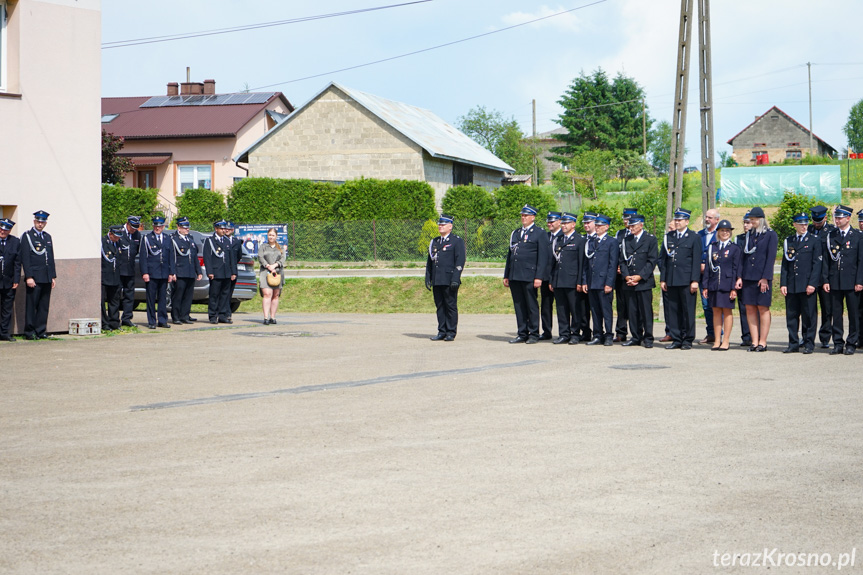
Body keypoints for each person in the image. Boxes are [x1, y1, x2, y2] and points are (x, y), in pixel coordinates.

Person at [503, 204, 551, 344]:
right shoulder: (516, 233)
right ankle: (522, 332)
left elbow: (543, 257)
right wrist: (507, 275)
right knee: (519, 305)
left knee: (531, 305)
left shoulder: (539, 233)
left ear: (533, 217)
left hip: (530, 275)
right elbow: (510, 255)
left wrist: (539, 277)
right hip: (515, 275)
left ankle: (534, 333)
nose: (523, 218)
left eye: (526, 216)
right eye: (522, 215)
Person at [821, 205, 863, 355]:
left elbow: (860, 261)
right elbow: (826, 260)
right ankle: (838, 342)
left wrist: (860, 281)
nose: (837, 220)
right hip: (835, 281)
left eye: (840, 218)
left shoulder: (857, 236)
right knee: (835, 313)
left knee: (853, 313)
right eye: (836, 217)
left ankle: (852, 342)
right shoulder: (831, 235)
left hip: (852, 281)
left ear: (848, 218)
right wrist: (825, 280)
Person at [660, 208, 702, 350]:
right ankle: (676, 338)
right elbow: (664, 260)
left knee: (687, 311)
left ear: (687, 221)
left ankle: (687, 339)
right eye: (676, 219)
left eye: (680, 220)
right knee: (673, 310)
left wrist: (695, 280)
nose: (677, 222)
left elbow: (696, 260)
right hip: (671, 279)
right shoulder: (669, 237)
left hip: (686, 280)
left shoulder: (694, 237)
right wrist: (663, 279)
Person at [780, 213, 821, 354]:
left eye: (805, 224)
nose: (804, 226)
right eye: (800, 224)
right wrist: (783, 283)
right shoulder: (789, 241)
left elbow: (817, 264)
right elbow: (785, 264)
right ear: (794, 225)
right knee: (791, 315)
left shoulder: (814, 240)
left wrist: (812, 284)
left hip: (807, 284)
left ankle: (809, 343)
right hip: (792, 284)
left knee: (809, 315)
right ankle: (793, 343)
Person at [740, 206, 778, 352]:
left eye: (754, 220)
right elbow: (744, 257)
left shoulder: (770, 235)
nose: (752, 222)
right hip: (748, 277)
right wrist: (740, 277)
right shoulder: (749, 235)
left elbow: (770, 258)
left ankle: (763, 341)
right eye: (751, 220)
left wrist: (765, 278)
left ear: (761, 219)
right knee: (750, 308)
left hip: (762, 277)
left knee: (763, 308)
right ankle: (754, 341)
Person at [701, 219, 742, 351]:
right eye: (722, 230)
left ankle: (726, 340)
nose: (725, 233)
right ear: (718, 232)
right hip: (714, 284)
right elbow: (707, 267)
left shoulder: (735, 248)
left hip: (727, 284)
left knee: (727, 312)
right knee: (716, 312)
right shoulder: (713, 247)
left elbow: (736, 269)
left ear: (730, 233)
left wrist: (734, 288)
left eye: (727, 231)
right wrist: (706, 285)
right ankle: (717, 340)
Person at [619, 213, 658, 348]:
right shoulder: (627, 240)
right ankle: (635, 336)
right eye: (630, 225)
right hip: (629, 281)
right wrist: (626, 276)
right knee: (632, 311)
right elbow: (622, 261)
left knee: (645, 311)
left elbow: (651, 261)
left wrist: (639, 276)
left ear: (641, 225)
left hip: (643, 282)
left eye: (634, 225)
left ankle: (648, 338)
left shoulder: (650, 239)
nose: (631, 228)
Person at [426, 215, 466, 341]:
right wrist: (428, 277)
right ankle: (441, 331)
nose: (440, 226)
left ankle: (451, 332)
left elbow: (460, 260)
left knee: (450, 305)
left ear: (450, 226)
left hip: (449, 279)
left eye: (443, 224)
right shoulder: (435, 242)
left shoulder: (456, 241)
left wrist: (456, 278)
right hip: (437, 279)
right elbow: (430, 262)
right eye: (439, 224)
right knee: (440, 306)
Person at [582, 213, 618, 346]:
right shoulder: (590, 241)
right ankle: (597, 334)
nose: (597, 227)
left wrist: (609, 283)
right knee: (595, 310)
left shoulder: (611, 242)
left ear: (606, 227)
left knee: (606, 310)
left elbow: (612, 264)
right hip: (592, 281)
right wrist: (585, 281)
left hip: (604, 282)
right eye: (596, 225)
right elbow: (586, 264)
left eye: (600, 225)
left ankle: (608, 335)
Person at [550, 212, 585, 344]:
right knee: (561, 308)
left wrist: (580, 281)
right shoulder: (558, 240)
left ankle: (575, 333)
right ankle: (564, 333)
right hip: (559, 280)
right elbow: (554, 263)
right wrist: (553, 280)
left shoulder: (579, 240)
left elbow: (581, 263)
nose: (564, 226)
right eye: (563, 223)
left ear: (573, 224)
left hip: (572, 280)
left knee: (575, 308)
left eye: (566, 223)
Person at [20, 210, 56, 340]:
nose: (40, 224)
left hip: (46, 276)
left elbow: (50, 258)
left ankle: (41, 330)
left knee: (43, 305)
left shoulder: (47, 237)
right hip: (34, 277)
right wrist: (29, 276)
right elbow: (25, 258)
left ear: (45, 223)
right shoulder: (27, 236)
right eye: (38, 221)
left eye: (42, 222)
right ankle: (29, 332)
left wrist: (52, 276)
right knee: (31, 305)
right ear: (34, 221)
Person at [139, 215, 176, 329]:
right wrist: (145, 273)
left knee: (163, 298)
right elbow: (143, 257)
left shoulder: (168, 238)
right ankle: (151, 321)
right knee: (151, 298)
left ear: (164, 226)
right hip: (151, 273)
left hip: (164, 273)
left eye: (160, 226)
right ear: (153, 226)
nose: (157, 228)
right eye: (155, 225)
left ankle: (162, 320)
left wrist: (171, 273)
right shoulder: (147, 238)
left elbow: (171, 257)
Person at [808, 205, 834, 348]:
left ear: (825, 218)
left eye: (819, 221)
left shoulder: (831, 232)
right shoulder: (809, 230)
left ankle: (825, 337)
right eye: (814, 221)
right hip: (811, 277)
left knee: (827, 309)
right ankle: (807, 337)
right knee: (809, 310)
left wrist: (827, 278)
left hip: (825, 277)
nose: (816, 224)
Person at [170, 217, 203, 325]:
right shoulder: (174, 239)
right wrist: (173, 272)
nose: (187, 229)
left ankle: (185, 315)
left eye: (188, 227)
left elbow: (194, 257)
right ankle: (176, 316)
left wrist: (199, 272)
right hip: (180, 272)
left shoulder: (190, 239)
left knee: (188, 296)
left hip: (190, 272)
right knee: (178, 295)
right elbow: (172, 258)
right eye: (184, 227)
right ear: (178, 227)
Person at [203, 220, 234, 324]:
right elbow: (207, 257)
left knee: (225, 295)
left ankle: (222, 315)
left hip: (226, 272)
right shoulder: (210, 241)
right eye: (221, 228)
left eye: (224, 228)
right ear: (216, 229)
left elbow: (231, 258)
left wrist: (233, 272)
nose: (223, 230)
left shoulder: (226, 240)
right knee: (214, 295)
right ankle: (213, 315)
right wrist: (210, 272)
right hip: (216, 272)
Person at [697, 208, 721, 343]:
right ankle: (711, 333)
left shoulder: (721, 234)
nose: (707, 219)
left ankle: (719, 333)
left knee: (717, 305)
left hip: (716, 276)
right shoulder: (699, 235)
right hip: (702, 277)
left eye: (710, 217)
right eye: (706, 217)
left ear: (717, 219)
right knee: (706, 305)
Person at [613, 208, 637, 342]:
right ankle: (621, 332)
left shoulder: (638, 234)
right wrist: (618, 266)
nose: (626, 221)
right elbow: (616, 251)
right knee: (621, 305)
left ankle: (637, 332)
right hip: (621, 274)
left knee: (634, 305)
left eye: (628, 218)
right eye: (624, 218)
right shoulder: (620, 233)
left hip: (634, 273)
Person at [540, 211, 562, 340]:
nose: (550, 224)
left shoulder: (562, 236)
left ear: (559, 222)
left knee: (562, 306)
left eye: (552, 221)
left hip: (558, 277)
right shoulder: (544, 236)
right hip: (545, 276)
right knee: (546, 305)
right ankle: (546, 331)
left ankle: (564, 332)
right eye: (548, 221)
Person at [117, 215, 142, 327]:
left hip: (130, 269)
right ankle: (114, 319)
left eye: (136, 227)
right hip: (118, 269)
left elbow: (135, 251)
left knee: (129, 295)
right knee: (116, 296)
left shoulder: (137, 235)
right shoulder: (119, 232)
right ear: (127, 224)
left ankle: (127, 318)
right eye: (132, 227)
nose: (134, 230)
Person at [259, 227, 286, 325]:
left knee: (275, 295)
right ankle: (266, 317)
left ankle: (273, 317)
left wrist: (275, 265)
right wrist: (268, 266)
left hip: (277, 273)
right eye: (269, 235)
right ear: (267, 235)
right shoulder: (263, 246)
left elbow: (283, 259)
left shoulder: (280, 247)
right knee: (267, 294)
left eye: (273, 235)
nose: (271, 237)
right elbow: (260, 257)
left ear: (276, 236)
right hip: (265, 272)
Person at [577, 211, 597, 342]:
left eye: (588, 222)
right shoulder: (582, 240)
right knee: (582, 308)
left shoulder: (600, 239)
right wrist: (581, 280)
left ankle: (598, 333)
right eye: (584, 223)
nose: (586, 225)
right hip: (583, 279)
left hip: (597, 280)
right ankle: (585, 332)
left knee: (596, 309)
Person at [0, 218, 21, 342]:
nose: (2, 231)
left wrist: (16, 279)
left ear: (9, 230)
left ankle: (4, 333)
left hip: (8, 281)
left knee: (7, 308)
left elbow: (17, 263)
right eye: (1, 228)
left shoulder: (15, 242)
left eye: (5, 229)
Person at [100, 225, 124, 331]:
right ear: (110, 234)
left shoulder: (119, 243)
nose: (118, 238)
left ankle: (114, 322)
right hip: (104, 276)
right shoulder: (103, 242)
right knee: (102, 302)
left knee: (114, 301)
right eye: (116, 236)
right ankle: (104, 323)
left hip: (115, 276)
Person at [735, 213, 753, 346]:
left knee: (755, 308)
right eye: (744, 222)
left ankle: (755, 335)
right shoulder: (739, 239)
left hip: (754, 277)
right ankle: (746, 336)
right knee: (743, 308)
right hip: (742, 277)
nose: (746, 225)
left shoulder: (758, 238)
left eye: (748, 222)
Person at [224, 221, 243, 322]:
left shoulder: (236, 242)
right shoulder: (221, 240)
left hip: (233, 271)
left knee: (229, 293)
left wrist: (233, 270)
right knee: (223, 293)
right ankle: (224, 313)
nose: (227, 230)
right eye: (226, 229)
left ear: (233, 230)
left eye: (230, 229)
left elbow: (238, 256)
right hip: (222, 271)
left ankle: (227, 312)